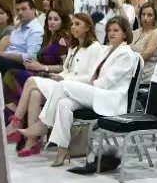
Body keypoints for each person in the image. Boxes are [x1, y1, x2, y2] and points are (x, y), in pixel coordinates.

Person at [31, 16, 139, 166]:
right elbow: (91, 76)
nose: (111, 33)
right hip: (96, 91)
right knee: (63, 104)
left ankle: (43, 124)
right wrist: (79, 84)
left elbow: (107, 81)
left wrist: (81, 85)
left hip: (110, 97)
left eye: (116, 30)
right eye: (109, 30)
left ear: (125, 33)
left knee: (63, 86)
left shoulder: (127, 54)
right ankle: (62, 150)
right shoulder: (106, 49)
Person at [8, 13, 104, 153]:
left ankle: (16, 122)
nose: (73, 27)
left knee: (30, 80)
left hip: (80, 90)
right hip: (64, 84)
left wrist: (65, 79)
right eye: (72, 24)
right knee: (34, 93)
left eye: (78, 24)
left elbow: (92, 77)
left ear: (88, 27)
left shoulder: (95, 47)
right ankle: (32, 142)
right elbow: (66, 70)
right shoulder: (74, 47)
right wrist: (58, 76)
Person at [131, 1, 157, 85]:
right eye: (143, 14)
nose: (145, 18)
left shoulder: (156, 33)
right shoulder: (135, 32)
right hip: (133, 68)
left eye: (150, 15)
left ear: (155, 17)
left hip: (146, 72)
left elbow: (147, 54)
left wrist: (127, 61)